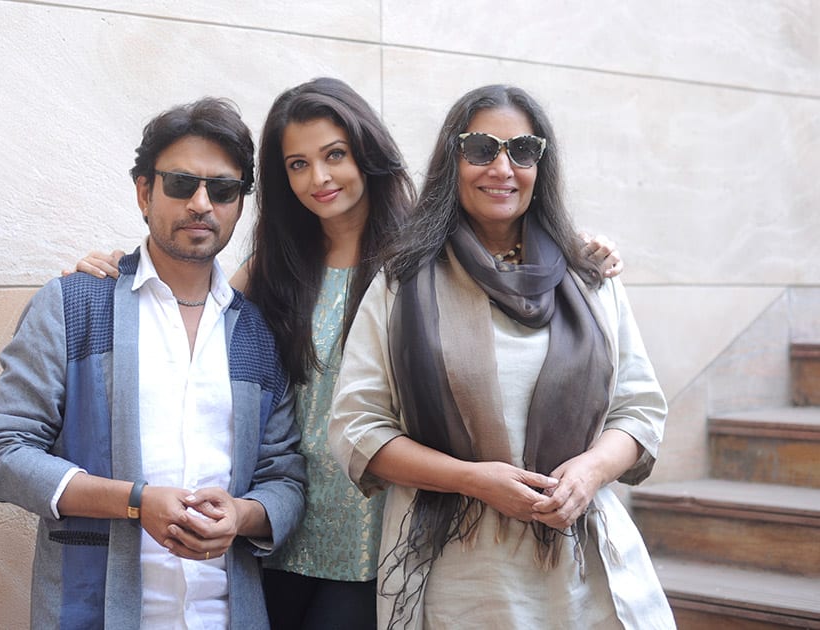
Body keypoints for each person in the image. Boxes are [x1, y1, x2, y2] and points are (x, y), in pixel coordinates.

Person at [71, 79, 626, 630]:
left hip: (384, 523)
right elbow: (193, 299)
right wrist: (120, 269)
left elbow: (514, 255)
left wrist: (582, 251)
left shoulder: (420, 255)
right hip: (278, 521)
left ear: (367, 153)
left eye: (334, 155)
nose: (319, 178)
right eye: (297, 164)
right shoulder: (276, 264)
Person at [328, 84, 674, 629]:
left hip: (580, 564)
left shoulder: (588, 278)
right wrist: (472, 479)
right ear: (452, 158)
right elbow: (357, 427)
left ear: (541, 164)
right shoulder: (403, 281)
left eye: (522, 150)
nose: (502, 167)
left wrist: (589, 471)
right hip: (455, 571)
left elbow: (640, 409)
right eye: (481, 149)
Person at [0, 97, 306, 629]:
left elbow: (284, 476)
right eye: (181, 184)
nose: (202, 203)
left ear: (240, 204)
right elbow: (2, 453)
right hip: (96, 613)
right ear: (144, 192)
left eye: (222, 189)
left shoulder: (257, 333)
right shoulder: (75, 305)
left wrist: (242, 516)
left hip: (227, 616)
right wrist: (135, 502)